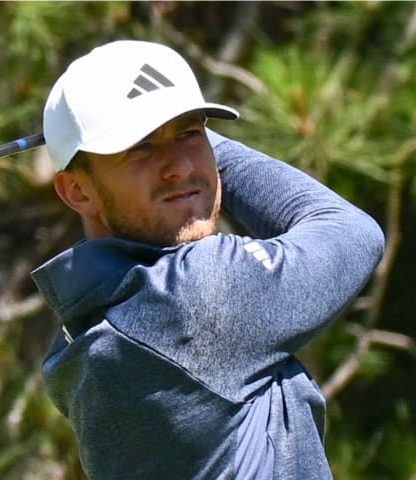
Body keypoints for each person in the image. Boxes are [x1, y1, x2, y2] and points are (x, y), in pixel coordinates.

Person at [31, 40, 384, 480]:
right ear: (76, 191)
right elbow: (350, 231)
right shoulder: (197, 297)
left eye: (188, 133)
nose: (178, 166)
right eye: (140, 146)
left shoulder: (82, 328)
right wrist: (206, 149)